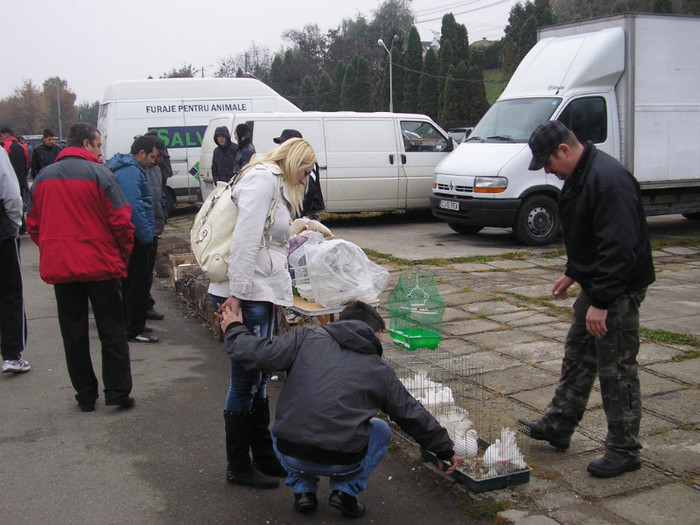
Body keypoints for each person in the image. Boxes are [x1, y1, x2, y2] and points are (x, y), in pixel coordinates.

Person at [218, 300, 460, 517]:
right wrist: (443, 449)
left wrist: (233, 327)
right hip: (344, 460)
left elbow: (256, 353)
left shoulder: (304, 338)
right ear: (374, 333)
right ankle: (345, 491)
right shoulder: (379, 370)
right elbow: (410, 414)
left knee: (284, 422)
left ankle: (303, 491)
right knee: (381, 429)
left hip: (291, 453)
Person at [518, 121, 655, 478]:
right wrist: (573, 272)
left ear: (564, 149)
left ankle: (624, 450)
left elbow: (620, 249)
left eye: (547, 163)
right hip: (597, 284)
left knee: (616, 369)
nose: (548, 171)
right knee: (578, 355)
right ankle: (558, 425)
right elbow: (589, 235)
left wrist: (603, 302)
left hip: (618, 290)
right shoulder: (580, 175)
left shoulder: (608, 180)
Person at [208, 137, 316, 490]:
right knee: (245, 381)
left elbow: (267, 237)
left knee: (256, 380)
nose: (305, 179)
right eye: (305, 170)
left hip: (256, 291)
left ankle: (264, 458)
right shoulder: (264, 179)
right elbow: (244, 238)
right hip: (246, 293)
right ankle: (238, 466)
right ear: (294, 161)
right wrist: (236, 297)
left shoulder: (272, 182)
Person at [26, 123, 135, 411]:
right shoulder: (101, 174)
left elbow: (33, 223)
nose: (101, 151)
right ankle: (117, 393)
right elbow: (121, 221)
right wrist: (122, 255)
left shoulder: (43, 178)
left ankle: (85, 395)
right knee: (111, 329)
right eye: (98, 145)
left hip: (63, 267)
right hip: (101, 265)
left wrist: (53, 249)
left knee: (73, 333)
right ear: (87, 144)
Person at [107, 135, 160, 343]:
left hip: (130, 236)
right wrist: (146, 235)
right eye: (152, 156)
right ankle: (134, 328)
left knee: (129, 283)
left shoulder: (126, 168)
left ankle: (132, 323)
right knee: (137, 283)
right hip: (136, 238)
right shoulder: (130, 171)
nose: (153, 161)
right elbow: (134, 207)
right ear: (141, 153)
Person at [0, 148, 30, 374]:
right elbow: (10, 194)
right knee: (10, 292)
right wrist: (15, 225)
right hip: (2, 236)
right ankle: (11, 355)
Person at [273, 129, 325, 220]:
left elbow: (310, 190)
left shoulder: (306, 162)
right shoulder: (287, 164)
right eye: (280, 143)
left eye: (283, 143)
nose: (280, 146)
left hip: (309, 212)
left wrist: (300, 215)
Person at [1, 126, 30, 234]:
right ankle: (22, 226)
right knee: (20, 202)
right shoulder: (22, 147)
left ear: (5, 134)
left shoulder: (5, 147)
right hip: (21, 179)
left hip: (12, 180)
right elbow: (27, 163)